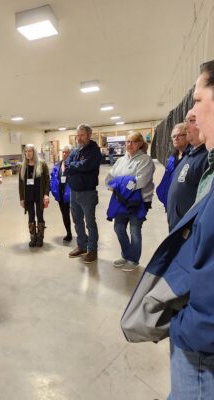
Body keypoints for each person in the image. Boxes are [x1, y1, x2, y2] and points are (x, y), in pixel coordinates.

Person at [123, 60, 214, 400]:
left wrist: (185, 328)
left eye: (198, 100)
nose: (191, 114)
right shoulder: (201, 162)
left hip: (201, 347)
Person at [105, 131, 155, 272]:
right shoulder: (121, 160)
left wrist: (118, 184)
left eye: (133, 141)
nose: (130, 144)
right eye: (128, 141)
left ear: (140, 144)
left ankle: (133, 260)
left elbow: (140, 182)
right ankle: (127, 255)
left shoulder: (145, 160)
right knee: (118, 228)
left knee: (134, 231)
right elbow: (109, 178)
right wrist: (116, 184)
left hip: (137, 203)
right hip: (120, 202)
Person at [166, 110, 208, 230]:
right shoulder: (189, 155)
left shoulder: (206, 157)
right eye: (186, 121)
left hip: (189, 228)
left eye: (192, 120)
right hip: (177, 223)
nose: (186, 126)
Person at [65, 124, 101, 263]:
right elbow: (67, 165)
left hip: (87, 193)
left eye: (82, 135)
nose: (79, 138)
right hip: (74, 192)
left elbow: (86, 165)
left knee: (90, 223)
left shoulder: (94, 150)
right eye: (78, 135)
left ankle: (92, 250)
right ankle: (82, 246)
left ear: (89, 135)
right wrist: (75, 166)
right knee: (77, 221)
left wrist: (73, 167)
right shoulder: (75, 150)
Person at [19, 144, 50, 247]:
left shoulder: (42, 164)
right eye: (26, 151)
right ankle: (33, 237)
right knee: (31, 216)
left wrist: (46, 195)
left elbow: (47, 181)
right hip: (28, 196)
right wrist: (22, 199)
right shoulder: (23, 166)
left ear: (34, 152)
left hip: (39, 195)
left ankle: (40, 237)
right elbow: (20, 183)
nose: (28, 153)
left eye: (30, 151)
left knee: (40, 215)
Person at [156, 123, 189, 210]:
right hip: (171, 204)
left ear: (187, 135)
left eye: (179, 135)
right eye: (174, 136)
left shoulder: (191, 157)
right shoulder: (172, 158)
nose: (176, 138)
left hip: (184, 206)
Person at [50, 145, 72, 242]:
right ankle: (69, 233)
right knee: (65, 215)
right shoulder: (58, 165)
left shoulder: (73, 164)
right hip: (61, 195)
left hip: (72, 194)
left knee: (77, 216)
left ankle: (82, 234)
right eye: (63, 152)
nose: (64, 154)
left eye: (67, 152)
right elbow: (53, 178)